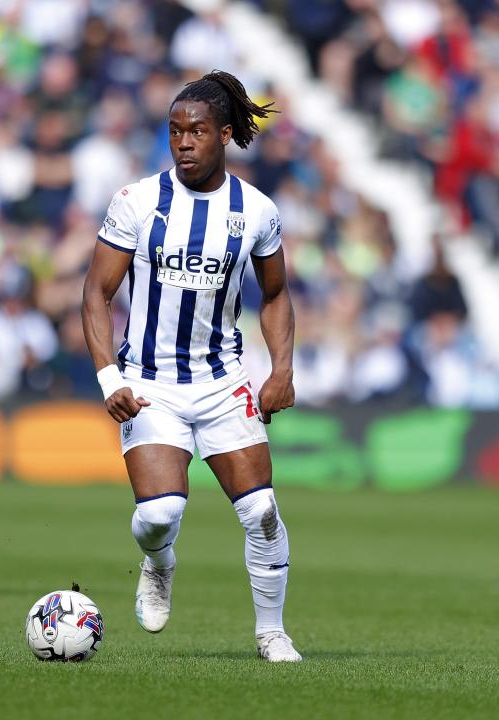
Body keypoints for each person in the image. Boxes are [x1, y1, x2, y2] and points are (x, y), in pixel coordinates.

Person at [81, 70, 301, 662]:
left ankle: (271, 632)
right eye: (175, 130)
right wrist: (110, 378)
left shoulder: (255, 211)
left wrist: (280, 368)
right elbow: (96, 293)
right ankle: (159, 561)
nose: (183, 141)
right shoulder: (136, 201)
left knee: (261, 509)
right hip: (149, 382)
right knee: (159, 515)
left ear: (224, 135)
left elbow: (276, 294)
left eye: (196, 131)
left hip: (223, 380)